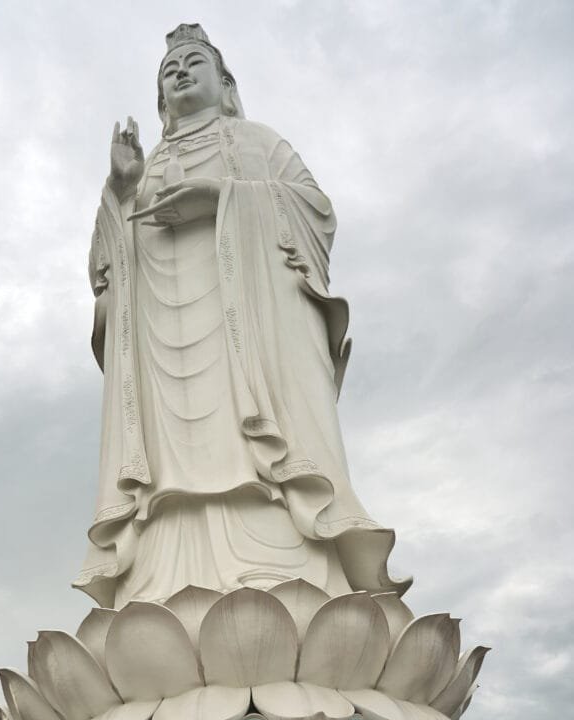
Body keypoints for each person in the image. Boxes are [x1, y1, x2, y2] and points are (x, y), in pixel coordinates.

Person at [74, 24, 409, 608]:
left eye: (193, 63)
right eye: (169, 70)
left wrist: (222, 199)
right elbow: (106, 275)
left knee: (259, 452)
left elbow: (316, 213)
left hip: (252, 339)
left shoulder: (259, 143)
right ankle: (160, 585)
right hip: (162, 359)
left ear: (226, 85)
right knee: (168, 469)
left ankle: (297, 579)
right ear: (160, 100)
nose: (180, 72)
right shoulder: (143, 169)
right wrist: (121, 192)